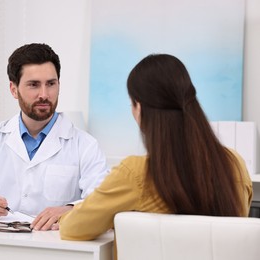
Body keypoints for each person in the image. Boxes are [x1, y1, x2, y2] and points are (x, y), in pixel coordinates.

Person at [59, 54, 253, 242]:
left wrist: (81, 215)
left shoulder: (135, 173)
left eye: (131, 103)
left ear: (139, 108)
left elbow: (72, 229)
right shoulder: (234, 163)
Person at [0, 43, 109, 231]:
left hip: (58, 249)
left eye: (51, 84)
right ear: (13, 89)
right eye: (34, 85)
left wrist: (70, 209)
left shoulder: (85, 145)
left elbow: (103, 201)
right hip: (3, 246)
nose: (44, 94)